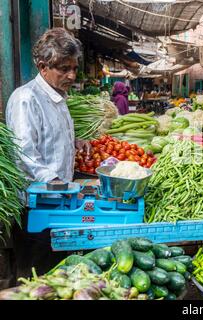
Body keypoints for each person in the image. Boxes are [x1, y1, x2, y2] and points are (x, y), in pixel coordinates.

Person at [5, 28, 90, 279]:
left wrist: (75, 141)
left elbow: (48, 136)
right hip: (36, 208)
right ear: (43, 66)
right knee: (37, 279)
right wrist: (54, 181)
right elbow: (24, 152)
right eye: (64, 68)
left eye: (74, 68)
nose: (72, 75)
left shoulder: (58, 97)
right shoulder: (26, 99)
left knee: (58, 278)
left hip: (58, 202)